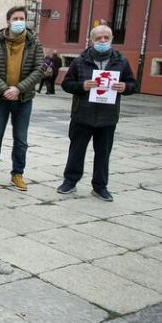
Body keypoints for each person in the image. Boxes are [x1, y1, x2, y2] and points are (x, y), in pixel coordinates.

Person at [57, 25, 136, 201]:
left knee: (103, 153)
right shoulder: (80, 61)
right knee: (76, 151)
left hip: (108, 117)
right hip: (82, 114)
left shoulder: (121, 61)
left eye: (106, 37)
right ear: (91, 40)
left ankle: (100, 186)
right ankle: (70, 181)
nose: (102, 41)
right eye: (98, 38)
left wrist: (125, 87)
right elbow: (66, 84)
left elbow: (133, 85)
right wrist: (81, 86)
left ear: (111, 39)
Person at [0, 6, 44, 191]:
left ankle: (17, 174)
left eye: (21, 18)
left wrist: (18, 89)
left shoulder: (34, 43)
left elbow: (39, 69)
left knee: (21, 139)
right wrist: (5, 89)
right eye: (15, 18)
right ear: (8, 21)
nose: (19, 21)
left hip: (23, 99)